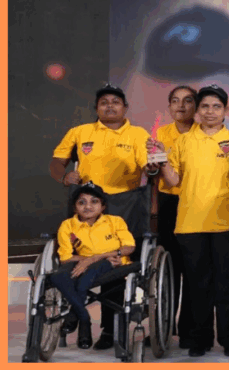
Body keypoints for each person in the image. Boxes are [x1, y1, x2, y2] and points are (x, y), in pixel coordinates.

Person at [150, 85, 229, 358]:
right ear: (197, 111)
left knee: (226, 284)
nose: (210, 111)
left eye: (216, 106)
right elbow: (173, 180)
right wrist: (162, 159)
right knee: (198, 285)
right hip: (190, 223)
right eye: (205, 106)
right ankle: (200, 339)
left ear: (224, 110)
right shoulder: (185, 141)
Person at [49, 83, 150, 351]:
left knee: (113, 267)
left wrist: (152, 166)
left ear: (125, 107)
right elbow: (57, 161)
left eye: (116, 101)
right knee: (72, 264)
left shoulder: (138, 134)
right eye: (104, 102)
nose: (109, 105)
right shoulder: (80, 132)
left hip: (124, 202)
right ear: (96, 108)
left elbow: (146, 165)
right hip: (87, 203)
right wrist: (64, 176)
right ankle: (80, 320)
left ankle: (109, 330)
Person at [49, 182, 136, 350]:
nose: (88, 206)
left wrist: (95, 258)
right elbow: (66, 258)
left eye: (94, 201)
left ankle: (92, 325)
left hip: (111, 263)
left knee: (85, 281)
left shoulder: (115, 221)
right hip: (81, 262)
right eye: (81, 202)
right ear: (75, 207)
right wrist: (87, 260)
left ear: (103, 206)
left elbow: (128, 247)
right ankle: (83, 317)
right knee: (58, 276)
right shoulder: (68, 225)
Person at [152, 85, 199, 349]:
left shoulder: (204, 134)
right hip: (169, 204)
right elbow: (154, 178)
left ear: (196, 106)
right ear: (169, 106)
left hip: (196, 205)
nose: (181, 106)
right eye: (175, 101)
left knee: (193, 269)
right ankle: (162, 327)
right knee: (168, 269)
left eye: (188, 101)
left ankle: (190, 330)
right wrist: (154, 210)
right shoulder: (160, 134)